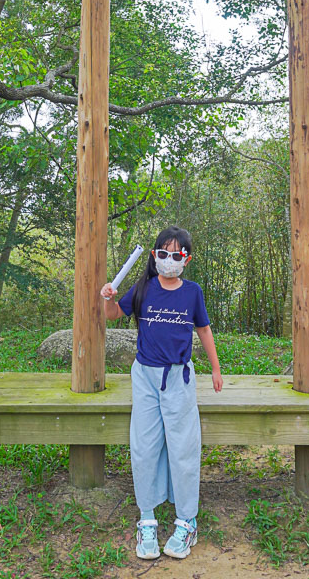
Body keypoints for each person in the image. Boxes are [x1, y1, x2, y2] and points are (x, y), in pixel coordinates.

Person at [100, 225, 223, 561]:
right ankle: (148, 519)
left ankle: (186, 520)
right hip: (145, 378)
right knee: (145, 447)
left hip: (179, 377)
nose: (170, 260)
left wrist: (214, 367)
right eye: (164, 254)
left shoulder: (192, 292)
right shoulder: (143, 288)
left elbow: (204, 329)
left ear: (187, 258)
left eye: (177, 255)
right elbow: (114, 314)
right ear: (154, 256)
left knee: (183, 447)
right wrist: (109, 297)